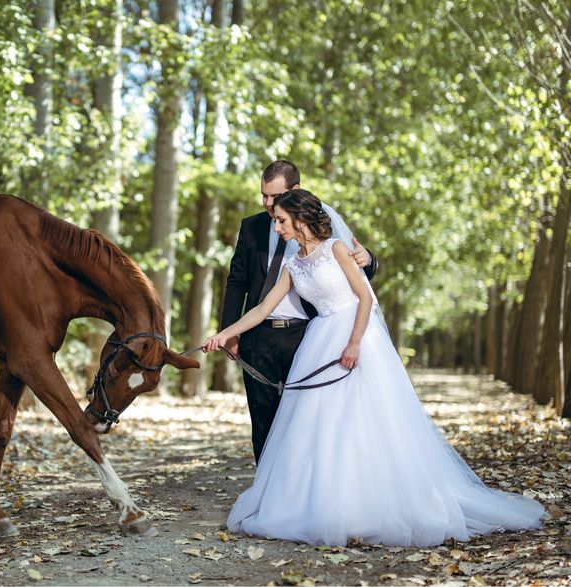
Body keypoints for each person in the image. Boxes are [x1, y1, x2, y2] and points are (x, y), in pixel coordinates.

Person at [204, 189, 546, 546]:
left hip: (356, 334)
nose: (276, 228)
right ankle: (325, 504)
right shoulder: (293, 267)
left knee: (365, 420)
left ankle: (377, 504)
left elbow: (365, 297)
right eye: (276, 221)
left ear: (301, 220)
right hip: (319, 340)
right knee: (320, 426)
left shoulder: (336, 249)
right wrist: (223, 335)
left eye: (281, 221)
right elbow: (260, 310)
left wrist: (353, 342)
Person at [220, 160, 377, 463]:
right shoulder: (251, 227)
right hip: (258, 336)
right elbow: (237, 281)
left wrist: (368, 258)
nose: (267, 204)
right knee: (263, 422)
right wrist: (230, 332)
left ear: (295, 190)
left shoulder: (321, 223)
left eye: (275, 197)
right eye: (263, 195)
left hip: (308, 336)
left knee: (306, 421)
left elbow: (356, 277)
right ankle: (271, 494)